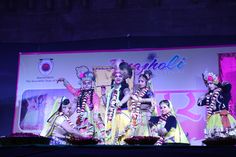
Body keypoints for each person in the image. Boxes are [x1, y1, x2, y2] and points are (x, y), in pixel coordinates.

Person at [57, 66, 105, 142]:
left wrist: (92, 118)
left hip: (91, 120)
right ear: (82, 83)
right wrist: (64, 81)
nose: (86, 85)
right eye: (84, 83)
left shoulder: (95, 96)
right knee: (81, 138)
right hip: (81, 120)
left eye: (88, 83)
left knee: (91, 137)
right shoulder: (79, 93)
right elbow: (72, 90)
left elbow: (96, 111)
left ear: (92, 84)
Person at [197, 71, 236, 138]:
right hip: (213, 118)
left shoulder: (222, 91)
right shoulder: (208, 95)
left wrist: (218, 83)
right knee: (214, 137)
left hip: (223, 116)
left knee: (226, 135)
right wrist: (202, 97)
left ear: (215, 83)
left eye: (211, 83)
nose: (209, 85)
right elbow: (199, 103)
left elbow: (228, 86)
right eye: (208, 84)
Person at [101, 68, 131, 145]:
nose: (118, 78)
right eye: (116, 76)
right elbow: (106, 105)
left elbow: (128, 95)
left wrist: (121, 102)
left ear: (123, 78)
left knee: (122, 139)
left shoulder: (124, 87)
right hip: (113, 117)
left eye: (120, 76)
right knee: (112, 140)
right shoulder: (112, 90)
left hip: (122, 115)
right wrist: (103, 94)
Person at [130, 70, 155, 136]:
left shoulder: (148, 91)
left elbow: (152, 100)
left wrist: (140, 100)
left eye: (142, 81)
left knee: (143, 134)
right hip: (136, 115)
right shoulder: (137, 92)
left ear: (146, 82)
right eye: (139, 81)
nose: (140, 83)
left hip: (144, 115)